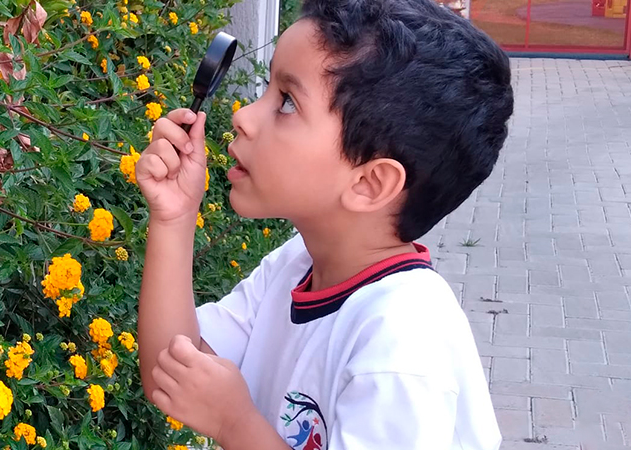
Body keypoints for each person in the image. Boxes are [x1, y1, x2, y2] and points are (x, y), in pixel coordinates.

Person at [135, 0, 514, 448]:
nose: (243, 115)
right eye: (268, 88)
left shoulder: (404, 344)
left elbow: (212, 404)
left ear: (371, 182)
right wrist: (175, 218)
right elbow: (172, 370)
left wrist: (236, 425)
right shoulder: (297, 264)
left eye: (288, 102)